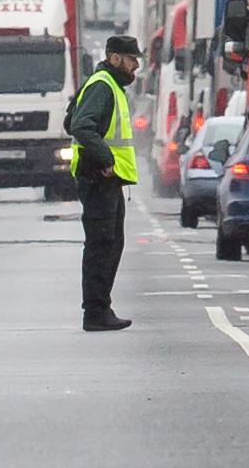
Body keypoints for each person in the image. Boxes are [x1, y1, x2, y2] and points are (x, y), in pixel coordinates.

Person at [66, 36, 142, 332]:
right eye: (131, 58)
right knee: (101, 245)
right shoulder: (103, 85)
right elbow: (80, 125)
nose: (136, 64)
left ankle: (101, 308)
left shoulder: (108, 85)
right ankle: (95, 312)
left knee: (111, 243)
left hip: (107, 179)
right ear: (114, 58)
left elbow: (71, 119)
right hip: (99, 177)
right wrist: (106, 159)